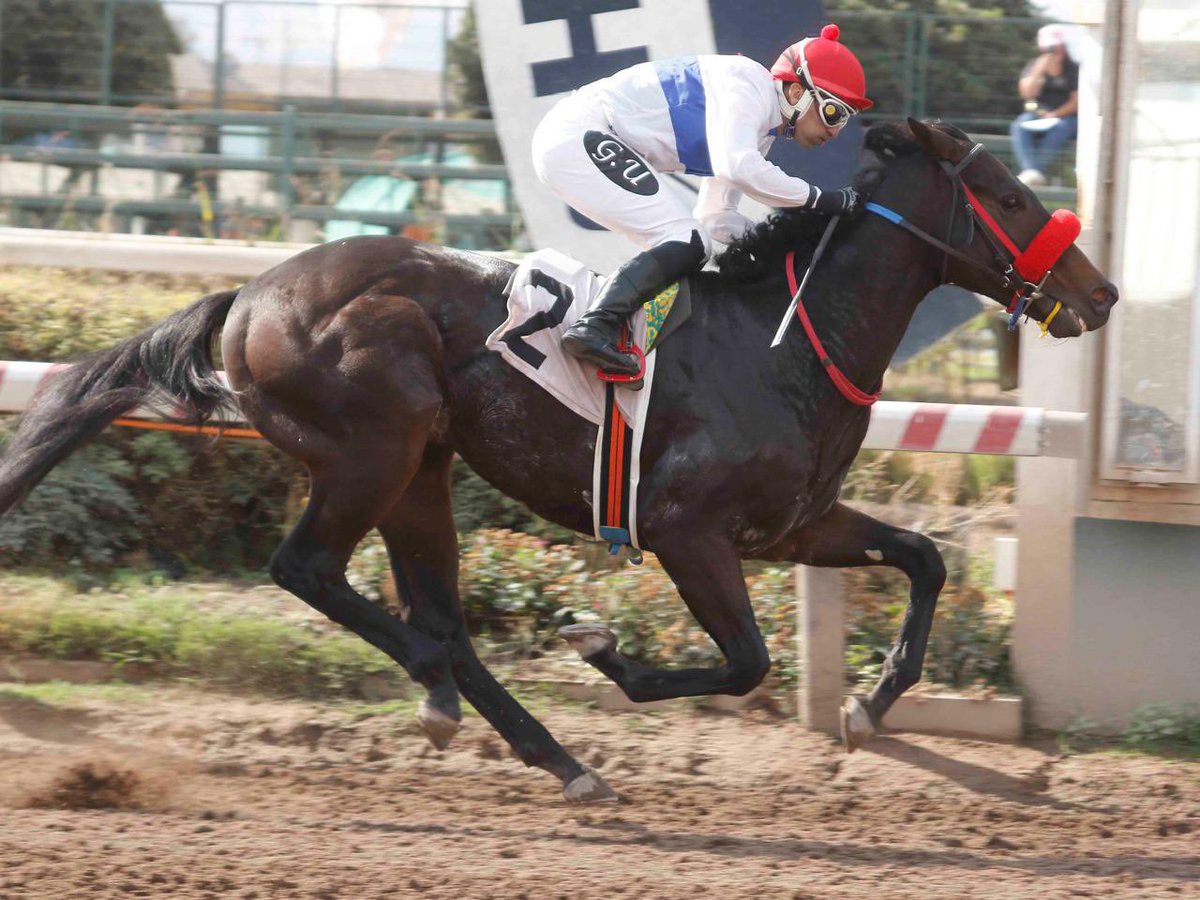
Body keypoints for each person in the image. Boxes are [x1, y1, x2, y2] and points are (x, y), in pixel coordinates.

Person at [531, 24, 872, 380]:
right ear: (797, 90)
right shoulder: (748, 85)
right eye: (833, 113)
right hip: (579, 134)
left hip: (582, 136)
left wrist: (783, 247)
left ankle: (611, 326)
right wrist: (820, 199)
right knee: (685, 240)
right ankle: (595, 325)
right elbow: (738, 166)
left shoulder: (759, 128)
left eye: (845, 120)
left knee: (693, 239)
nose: (835, 132)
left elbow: (716, 217)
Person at [1009, 24, 1079, 187]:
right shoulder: (1035, 65)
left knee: (1061, 127)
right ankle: (1031, 171)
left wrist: (1055, 114)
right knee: (1020, 125)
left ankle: (1035, 172)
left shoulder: (1073, 69)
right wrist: (1040, 69)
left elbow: (1076, 102)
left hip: (1066, 118)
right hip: (1039, 115)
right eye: (1050, 46)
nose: (1054, 50)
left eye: (1057, 46)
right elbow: (1026, 93)